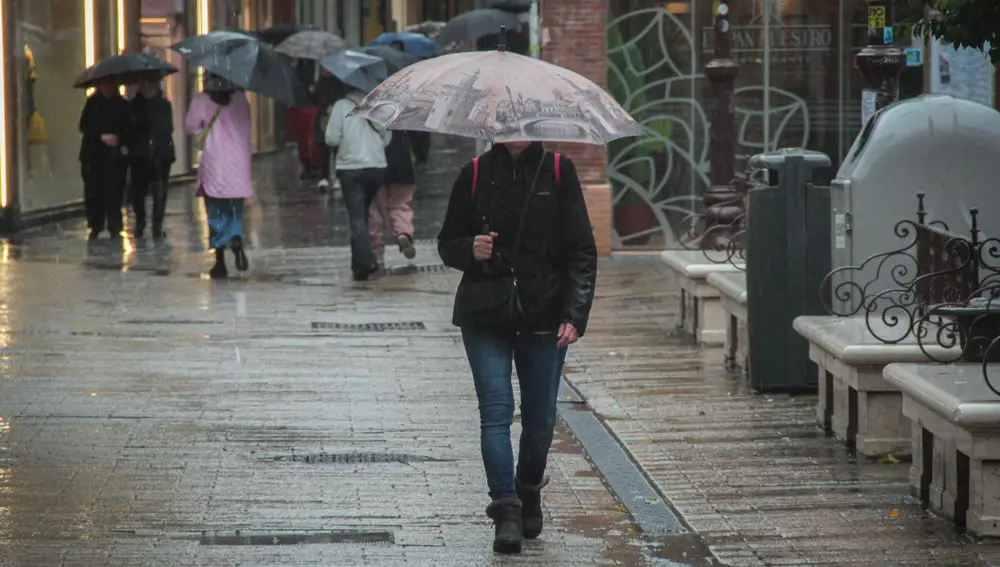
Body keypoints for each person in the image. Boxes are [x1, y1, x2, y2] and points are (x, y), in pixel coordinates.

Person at [437, 141, 597, 553]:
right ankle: (505, 508)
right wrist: (469, 249)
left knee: (541, 419)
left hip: (543, 316)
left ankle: (528, 487)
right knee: (495, 411)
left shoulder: (559, 173)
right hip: (485, 315)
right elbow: (446, 243)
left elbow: (581, 250)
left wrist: (574, 315)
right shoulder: (473, 174)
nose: (515, 131)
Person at [184, 75, 253, 279]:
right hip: (239, 162)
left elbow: (190, 127)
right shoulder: (240, 99)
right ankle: (236, 238)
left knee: (215, 212)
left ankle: (220, 261)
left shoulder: (202, 100)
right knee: (234, 208)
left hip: (214, 161)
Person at [325, 82, 390, 281]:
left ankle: (366, 262)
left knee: (356, 218)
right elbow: (387, 136)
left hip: (350, 168)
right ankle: (358, 265)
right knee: (362, 215)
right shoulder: (376, 104)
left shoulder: (340, 106)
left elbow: (331, 139)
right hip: (376, 166)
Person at [79, 77, 132, 241]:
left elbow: (129, 128)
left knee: (115, 190)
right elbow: (84, 127)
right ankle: (96, 224)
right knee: (94, 190)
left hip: (115, 156)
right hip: (94, 154)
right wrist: (101, 136)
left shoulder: (122, 104)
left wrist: (119, 139)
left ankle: (114, 224)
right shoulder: (92, 103)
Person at [129, 79, 175, 239]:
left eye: (151, 84)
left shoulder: (163, 105)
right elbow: (130, 127)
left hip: (161, 154)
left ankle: (157, 225)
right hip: (139, 155)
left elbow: (168, 128)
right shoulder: (134, 105)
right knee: (138, 192)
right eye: (144, 84)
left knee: (160, 191)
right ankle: (140, 222)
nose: (147, 87)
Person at [369, 130, 417, 267]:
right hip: (402, 161)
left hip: (375, 161)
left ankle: (376, 249)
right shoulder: (399, 112)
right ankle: (404, 232)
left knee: (375, 208)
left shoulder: (367, 112)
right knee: (401, 204)